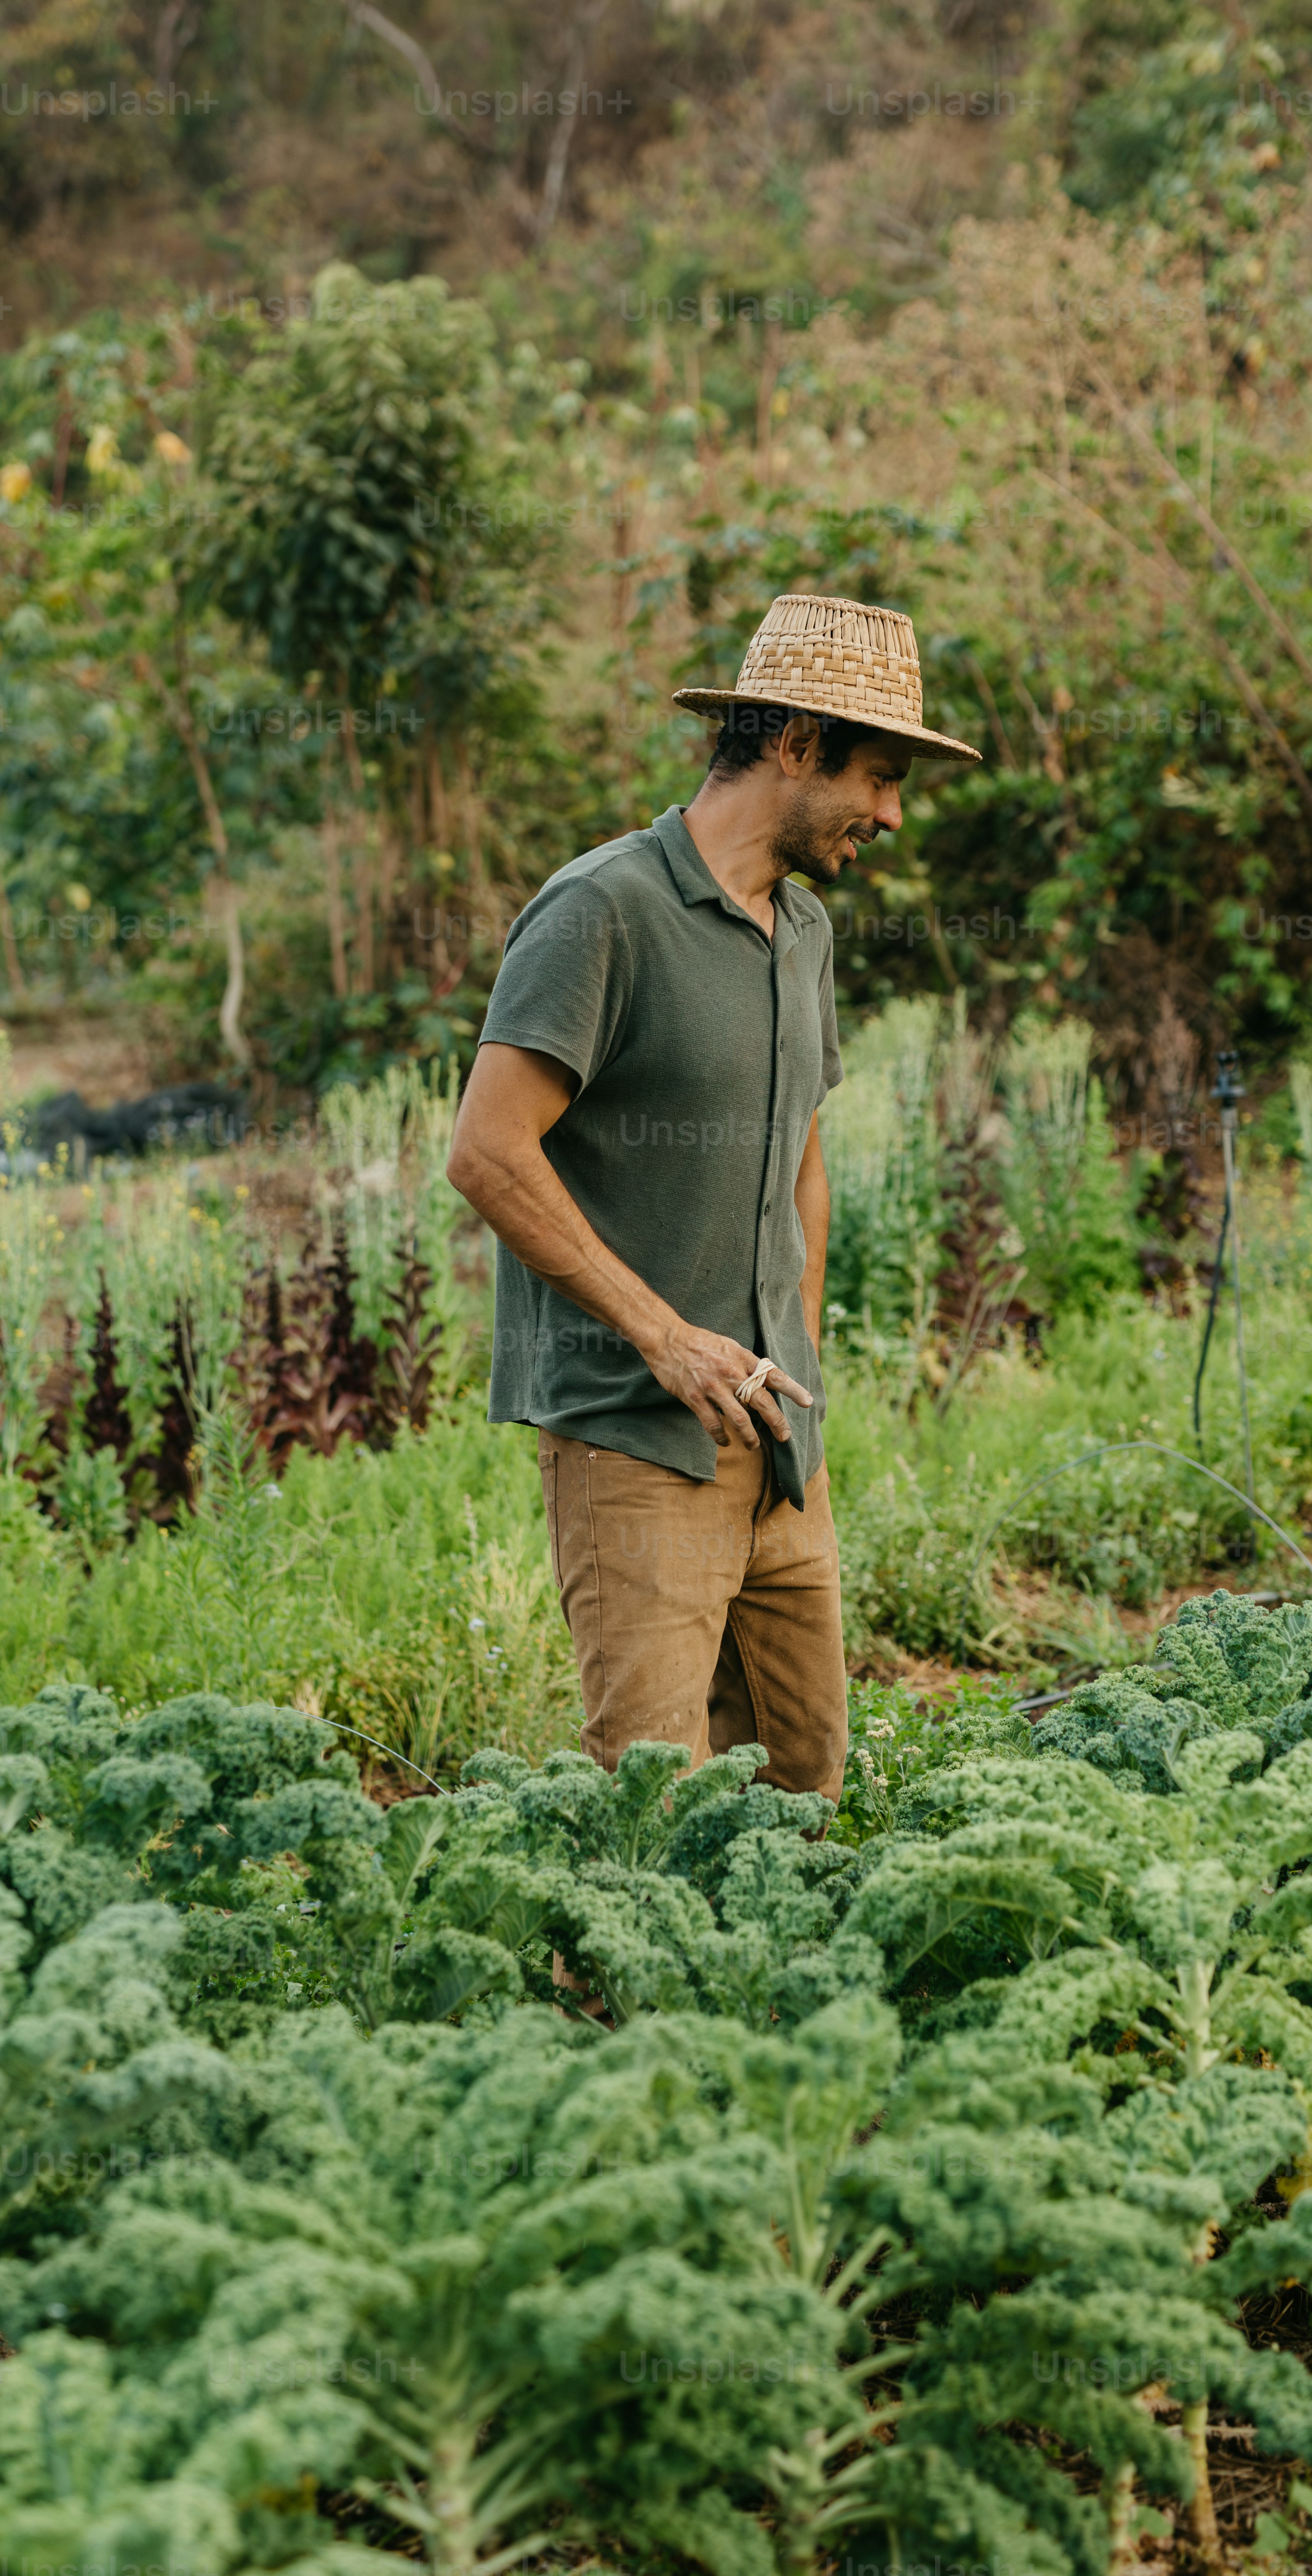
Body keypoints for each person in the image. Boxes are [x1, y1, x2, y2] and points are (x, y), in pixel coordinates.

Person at [447, 592, 981, 1806]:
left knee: (804, 1781)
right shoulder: (602, 911)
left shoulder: (804, 930)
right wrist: (668, 1339)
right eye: (881, 779)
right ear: (793, 745)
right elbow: (487, 1151)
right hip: (638, 1436)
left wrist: (800, 1345)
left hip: (783, 1440)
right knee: (657, 1813)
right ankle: (608, 2006)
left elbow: (803, 1157)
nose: (892, 816)